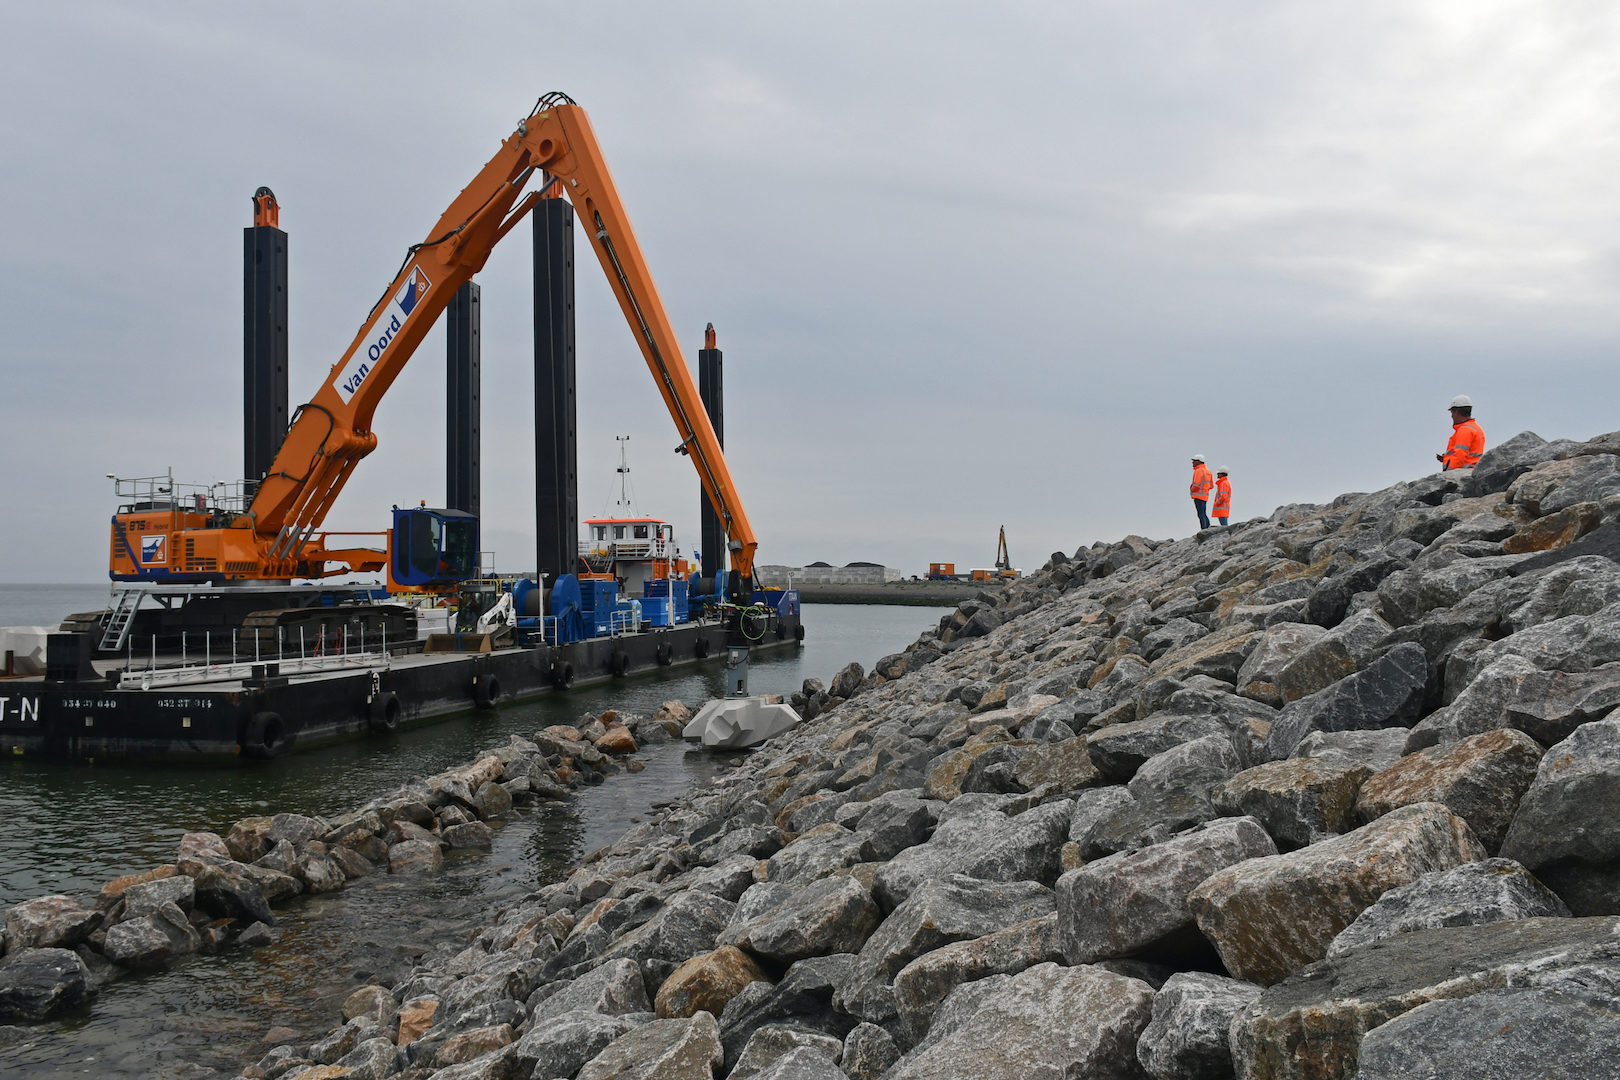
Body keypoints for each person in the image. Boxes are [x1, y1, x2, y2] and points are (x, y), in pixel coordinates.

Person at [1437, 395, 1486, 470]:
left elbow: (1459, 456)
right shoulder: (1476, 428)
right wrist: (1446, 458)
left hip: (1461, 475)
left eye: (1452, 413)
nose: (1452, 416)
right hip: (1471, 472)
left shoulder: (1464, 430)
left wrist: (1448, 475)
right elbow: (1469, 454)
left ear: (1456, 412)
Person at [1189, 454, 1214, 529]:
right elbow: (1211, 486)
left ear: (1198, 461)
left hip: (1198, 496)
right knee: (1203, 513)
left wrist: (1191, 489)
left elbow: (1196, 484)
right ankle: (1207, 528)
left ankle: (1204, 529)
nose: (1192, 463)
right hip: (1205, 495)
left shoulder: (1198, 471)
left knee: (1201, 514)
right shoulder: (1208, 472)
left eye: (1194, 461)